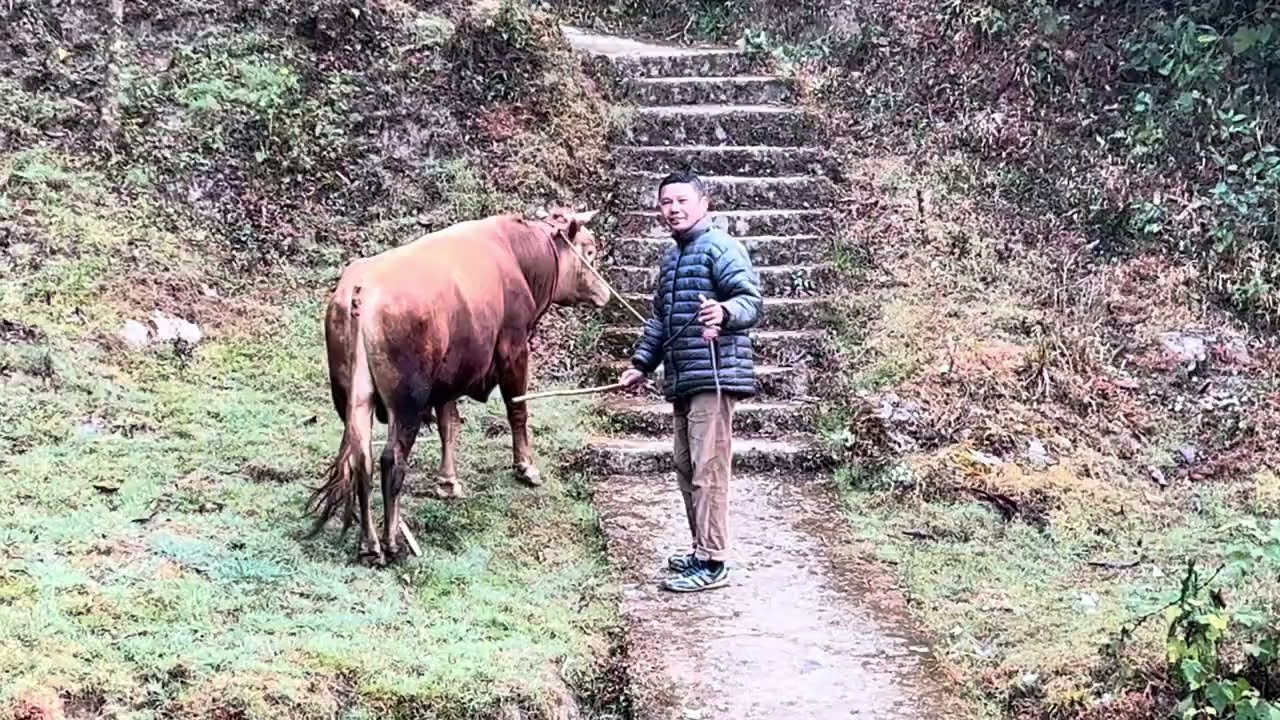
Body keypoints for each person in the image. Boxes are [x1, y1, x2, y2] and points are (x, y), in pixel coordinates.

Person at [619, 170, 764, 593]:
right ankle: (701, 550)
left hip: (714, 375)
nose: (673, 209)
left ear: (704, 204)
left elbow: (750, 302)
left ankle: (714, 561)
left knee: (708, 469)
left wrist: (724, 313)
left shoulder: (721, 247)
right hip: (683, 377)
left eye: (682, 200)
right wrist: (641, 365)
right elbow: (661, 322)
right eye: (666, 203)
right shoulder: (672, 259)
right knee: (687, 467)